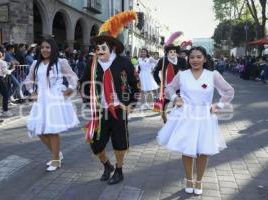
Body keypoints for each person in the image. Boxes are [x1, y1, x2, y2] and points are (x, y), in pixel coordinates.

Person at [157, 46, 235, 195]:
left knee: (203, 150)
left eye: (199, 57)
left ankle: (199, 180)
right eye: (192, 57)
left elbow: (229, 90)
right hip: (185, 115)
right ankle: (189, 179)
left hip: (205, 116)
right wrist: (175, 98)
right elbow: (169, 89)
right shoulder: (182, 75)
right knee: (187, 149)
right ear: (188, 59)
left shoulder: (213, 75)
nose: (195, 60)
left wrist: (219, 105)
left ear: (205, 59)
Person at [80, 11, 139, 185]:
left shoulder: (124, 62)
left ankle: (119, 170)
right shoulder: (92, 63)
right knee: (95, 143)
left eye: (102, 46)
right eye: (97, 47)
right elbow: (83, 82)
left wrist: (128, 104)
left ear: (111, 47)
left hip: (119, 110)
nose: (98, 50)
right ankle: (107, 166)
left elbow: (135, 86)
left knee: (120, 142)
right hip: (99, 111)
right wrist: (87, 100)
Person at [24, 38, 79, 172]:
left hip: (55, 98)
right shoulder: (36, 63)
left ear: (53, 48)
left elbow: (72, 76)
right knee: (39, 129)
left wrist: (70, 88)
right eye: (42, 47)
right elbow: (29, 79)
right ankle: (57, 154)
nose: (44, 50)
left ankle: (55, 160)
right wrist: (32, 92)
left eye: (48, 47)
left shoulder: (60, 62)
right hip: (41, 99)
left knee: (52, 130)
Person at [153, 31, 187, 122]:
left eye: (174, 51)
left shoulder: (182, 60)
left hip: (180, 86)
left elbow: (187, 72)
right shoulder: (163, 60)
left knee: (178, 102)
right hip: (166, 86)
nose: (172, 53)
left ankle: (176, 118)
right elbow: (155, 71)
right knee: (165, 103)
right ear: (167, 53)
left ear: (176, 52)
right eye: (170, 51)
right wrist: (160, 83)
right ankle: (164, 118)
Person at [0, 46, 13, 117]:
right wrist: (11, 70)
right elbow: (6, 71)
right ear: (1, 55)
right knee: (6, 94)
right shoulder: (2, 62)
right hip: (0, 79)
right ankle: (5, 110)